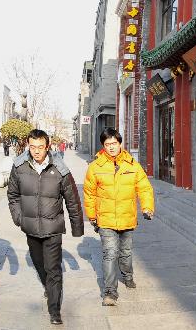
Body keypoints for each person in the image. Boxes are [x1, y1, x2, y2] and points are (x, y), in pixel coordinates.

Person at [8, 129, 84, 325]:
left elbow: (72, 200)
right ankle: (48, 288)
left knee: (53, 269)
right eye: (32, 147)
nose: (36, 151)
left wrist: (77, 227)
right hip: (30, 227)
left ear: (47, 146)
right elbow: (13, 195)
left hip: (53, 229)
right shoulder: (19, 166)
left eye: (40, 147)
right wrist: (18, 217)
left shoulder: (60, 168)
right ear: (28, 145)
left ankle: (54, 309)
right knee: (40, 265)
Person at [83, 128, 154, 307]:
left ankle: (128, 275)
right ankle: (110, 292)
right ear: (103, 146)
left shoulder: (132, 164)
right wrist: (91, 216)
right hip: (105, 219)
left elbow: (144, 187)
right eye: (107, 144)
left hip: (127, 216)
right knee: (109, 254)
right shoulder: (95, 167)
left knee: (126, 252)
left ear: (120, 143)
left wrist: (147, 207)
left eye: (114, 143)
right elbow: (89, 193)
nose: (111, 147)